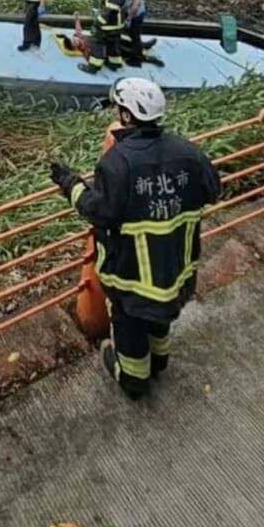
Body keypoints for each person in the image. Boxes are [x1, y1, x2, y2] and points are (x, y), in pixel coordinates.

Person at [50, 78, 221, 401]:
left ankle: (133, 378)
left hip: (132, 280)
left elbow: (97, 211)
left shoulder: (118, 163)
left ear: (126, 116)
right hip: (176, 272)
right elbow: (213, 189)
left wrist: (68, 182)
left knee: (129, 332)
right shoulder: (188, 152)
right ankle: (160, 360)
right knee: (161, 317)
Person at [79, 0, 126, 75]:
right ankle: (114, 64)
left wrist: (98, 23)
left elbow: (107, 13)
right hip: (116, 26)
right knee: (113, 45)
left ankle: (93, 67)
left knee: (98, 44)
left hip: (108, 27)